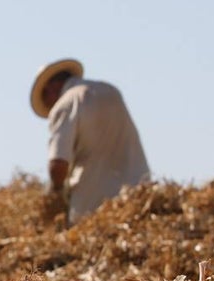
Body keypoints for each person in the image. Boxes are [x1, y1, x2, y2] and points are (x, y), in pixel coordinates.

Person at [30, 58, 150, 223]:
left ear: (52, 87)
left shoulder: (65, 104)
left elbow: (58, 165)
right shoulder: (111, 91)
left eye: (45, 97)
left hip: (94, 203)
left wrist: (55, 195)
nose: (49, 105)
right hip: (139, 197)